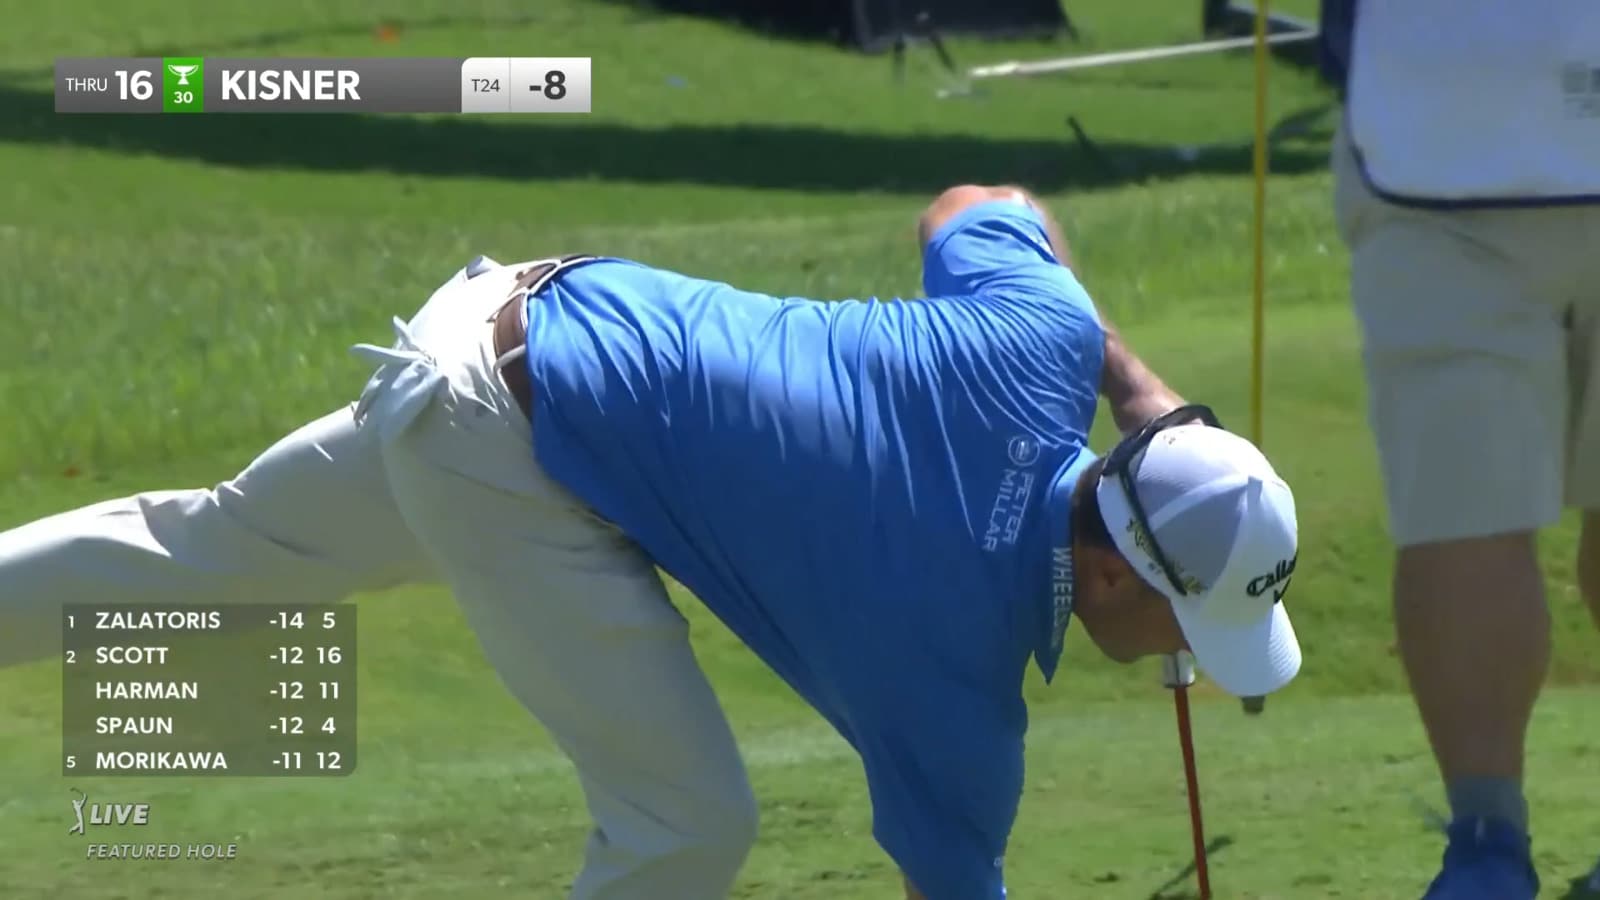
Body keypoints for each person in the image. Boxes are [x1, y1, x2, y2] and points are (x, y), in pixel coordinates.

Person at [0, 185, 1302, 899]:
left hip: (488, 324)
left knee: (217, 552)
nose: (1184, 659)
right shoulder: (953, 694)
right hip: (510, 444)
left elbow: (981, 201)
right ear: (1117, 573)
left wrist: (1128, 376)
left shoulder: (1040, 343)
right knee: (686, 830)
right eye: (1193, 628)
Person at [1320, 2, 1600, 897]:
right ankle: (1485, 840)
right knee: (1461, 516)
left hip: (1436, 130)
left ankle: (1486, 846)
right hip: (1437, 147)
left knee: (1462, 514)